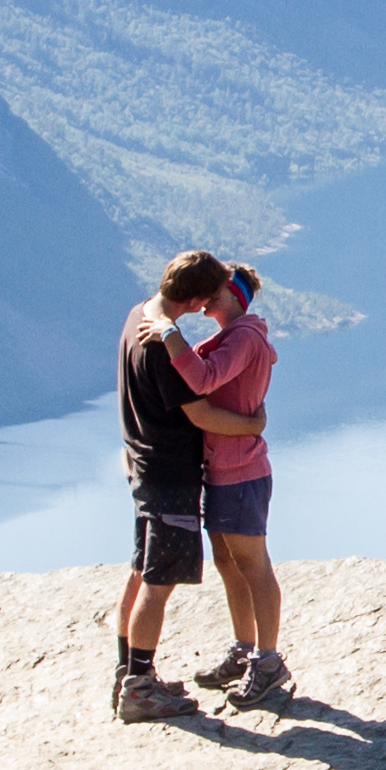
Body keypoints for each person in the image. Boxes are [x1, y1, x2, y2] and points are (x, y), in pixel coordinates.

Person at [111, 252, 258, 719]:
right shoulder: (159, 345)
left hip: (142, 465)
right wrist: (253, 425)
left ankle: (129, 671)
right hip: (169, 476)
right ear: (195, 300)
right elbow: (202, 414)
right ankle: (138, 688)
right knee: (159, 581)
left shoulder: (140, 315)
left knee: (141, 570)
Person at [157, 255, 296, 708]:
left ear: (229, 296)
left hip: (241, 473)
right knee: (227, 561)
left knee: (252, 564)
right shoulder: (227, 337)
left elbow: (204, 379)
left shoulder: (244, 341)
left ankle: (269, 661)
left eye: (214, 289)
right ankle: (243, 648)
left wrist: (167, 333)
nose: (205, 295)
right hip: (220, 470)